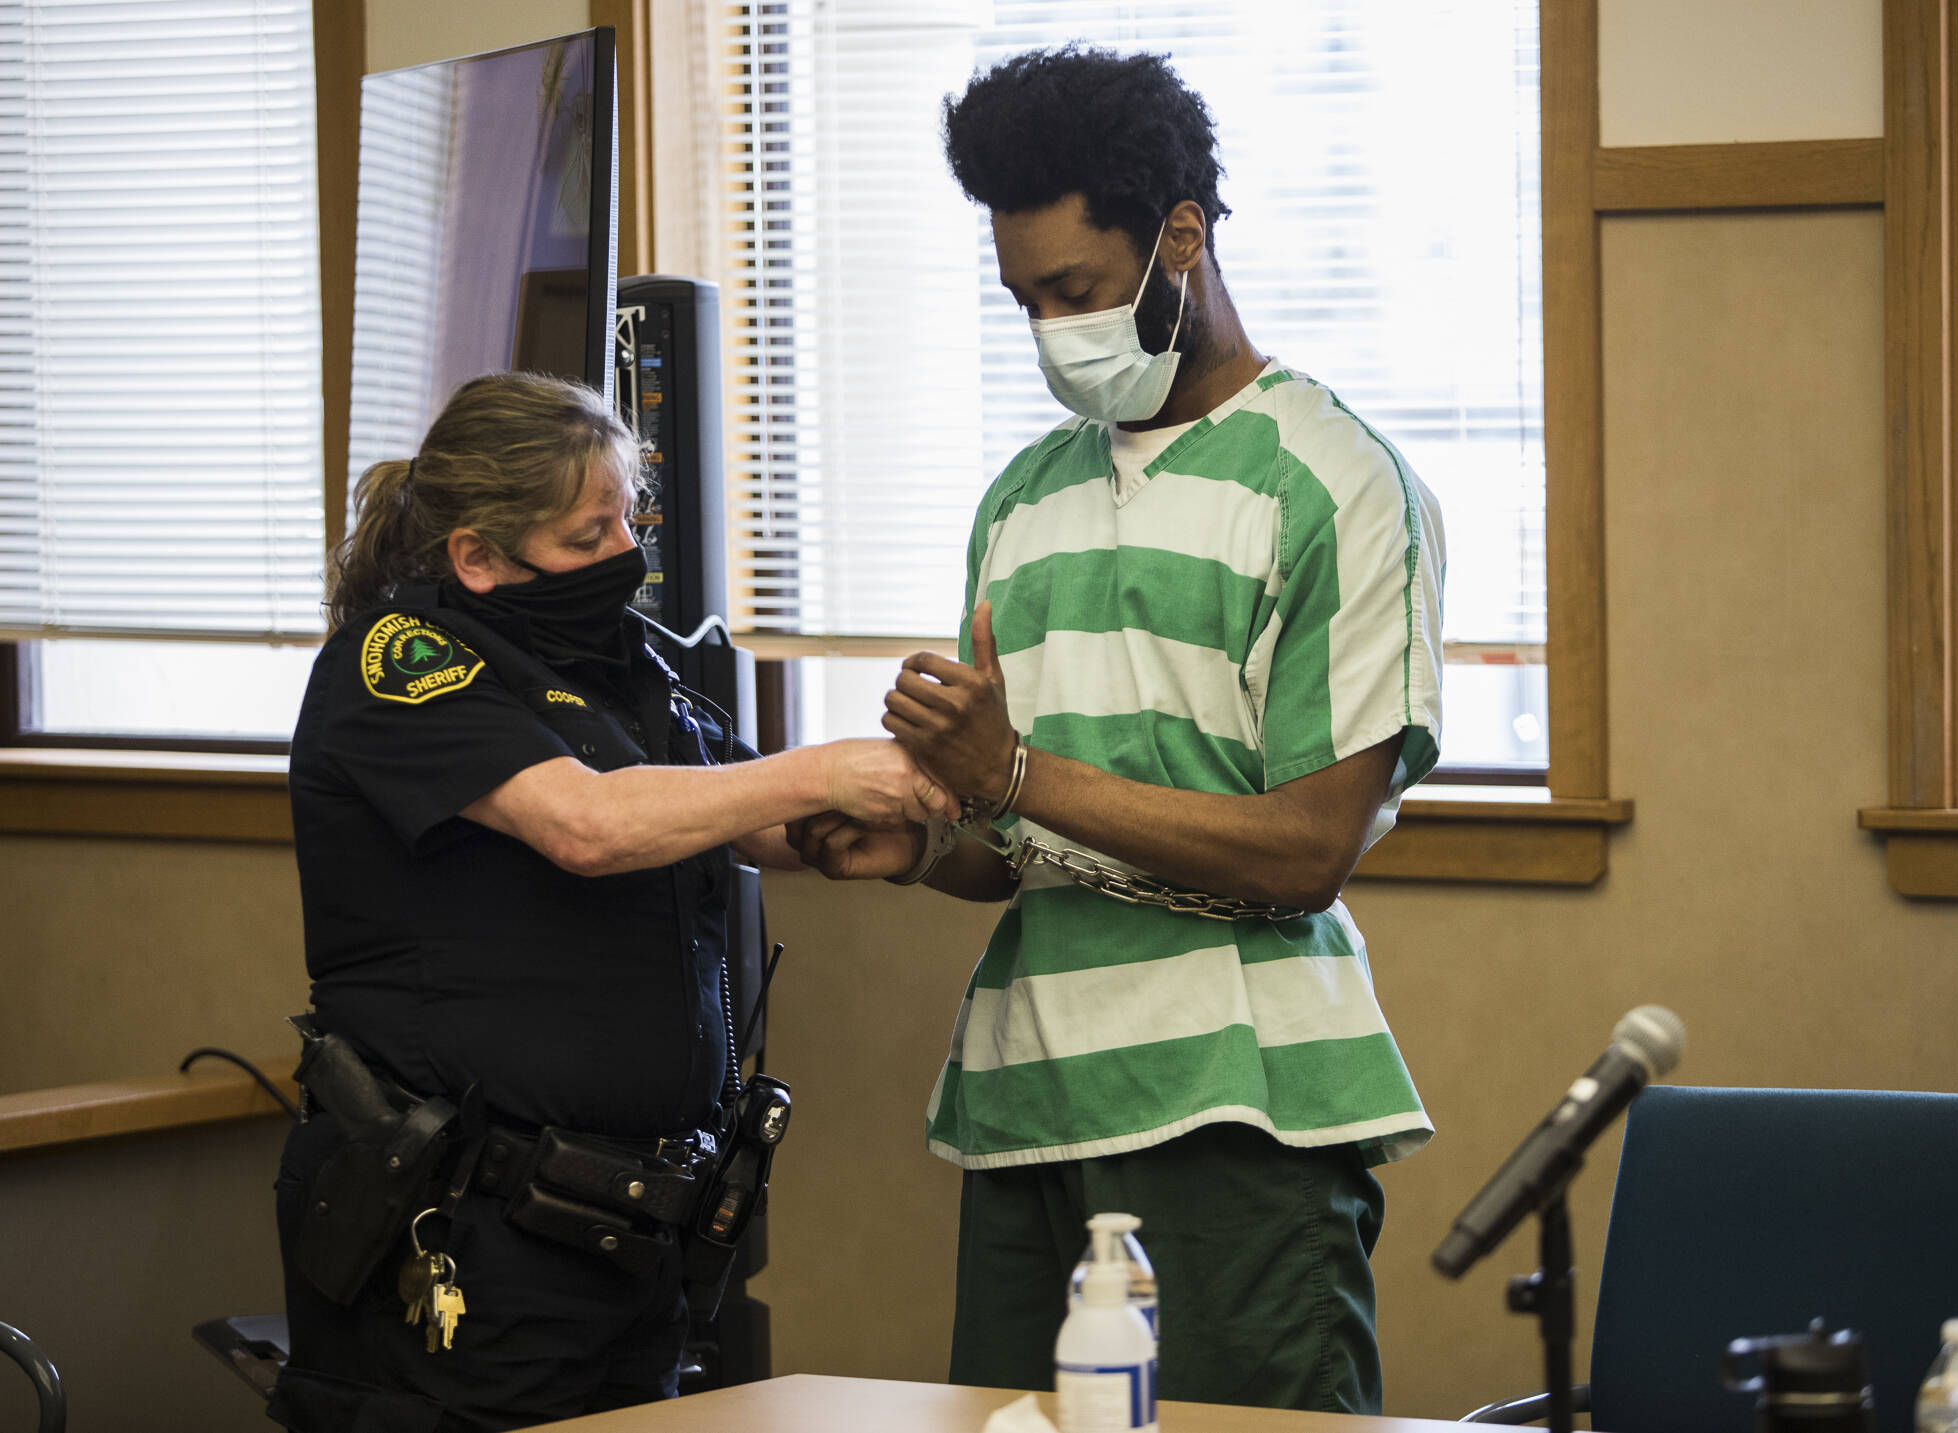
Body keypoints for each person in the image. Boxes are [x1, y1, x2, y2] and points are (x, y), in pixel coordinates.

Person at [788, 46, 1447, 1415]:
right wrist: (922, 846)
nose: (1050, 329)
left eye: (1077, 292)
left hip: (1235, 1118)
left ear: (1183, 237)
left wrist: (1014, 770)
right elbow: (1012, 846)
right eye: (1024, 300)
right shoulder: (1020, 504)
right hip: (1030, 1103)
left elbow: (1306, 850)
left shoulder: (1337, 481)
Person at [273, 371, 952, 1432]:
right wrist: (821, 772)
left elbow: (714, 807)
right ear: (479, 556)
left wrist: (886, 817)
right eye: (590, 536)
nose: (624, 554)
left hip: (626, 1228)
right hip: (464, 1229)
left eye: (629, 519)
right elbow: (584, 823)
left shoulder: (613, 660)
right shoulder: (396, 663)